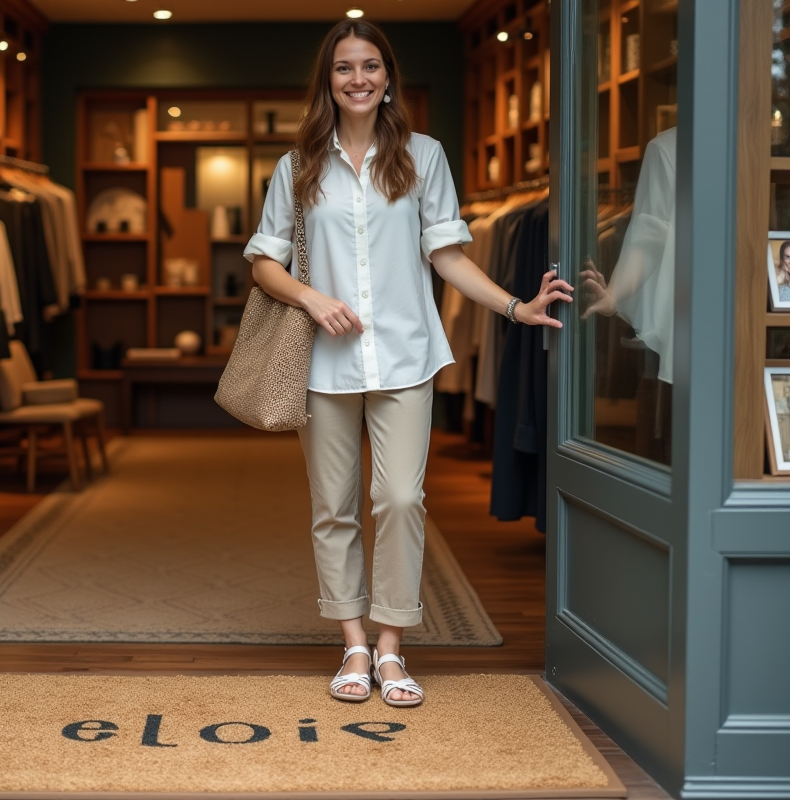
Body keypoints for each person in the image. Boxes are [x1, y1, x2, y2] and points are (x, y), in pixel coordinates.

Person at [243, 20, 572, 707]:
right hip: (324, 362)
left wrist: (516, 306)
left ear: (388, 75)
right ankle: (354, 645)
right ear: (327, 80)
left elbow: (446, 256)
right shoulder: (297, 164)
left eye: (369, 66)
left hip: (404, 355)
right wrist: (310, 297)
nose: (357, 79)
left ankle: (392, 647)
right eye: (343, 68)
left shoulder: (424, 156)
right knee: (332, 508)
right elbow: (263, 262)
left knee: (398, 499)